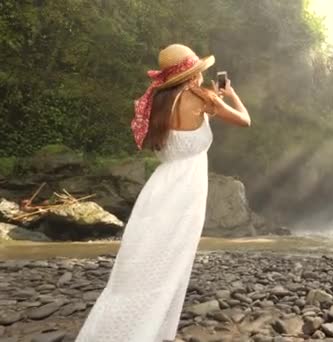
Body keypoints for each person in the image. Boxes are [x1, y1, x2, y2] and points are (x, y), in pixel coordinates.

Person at [75, 44, 250, 342]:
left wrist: (211, 100)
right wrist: (229, 94)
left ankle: (116, 330)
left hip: (158, 190)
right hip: (185, 194)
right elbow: (245, 120)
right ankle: (150, 333)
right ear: (192, 74)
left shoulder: (154, 102)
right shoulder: (201, 97)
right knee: (171, 267)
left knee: (140, 267)